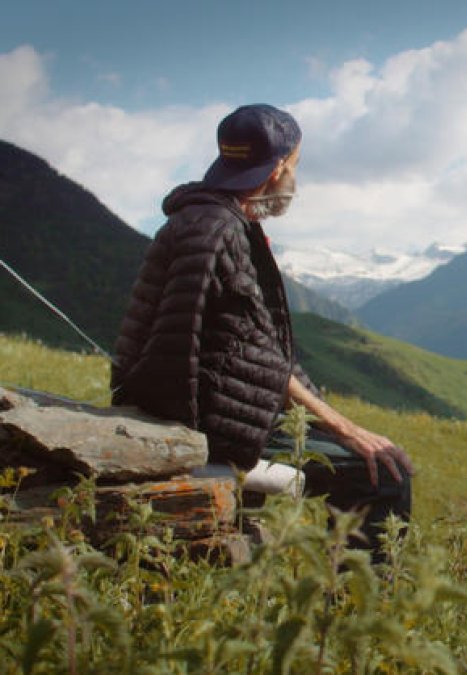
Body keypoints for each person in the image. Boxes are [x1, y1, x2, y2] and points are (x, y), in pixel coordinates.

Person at [111, 104, 413, 552]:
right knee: (385, 475)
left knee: (359, 456)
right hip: (206, 422)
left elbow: (257, 345)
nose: (294, 177)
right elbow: (260, 356)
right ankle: (352, 594)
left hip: (198, 406)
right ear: (277, 169)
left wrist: (326, 422)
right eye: (295, 165)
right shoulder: (221, 231)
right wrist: (345, 429)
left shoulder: (201, 219)